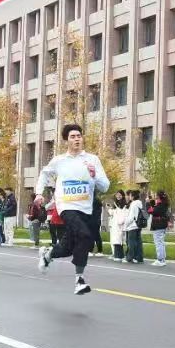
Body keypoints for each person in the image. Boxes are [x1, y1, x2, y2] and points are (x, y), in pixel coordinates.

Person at [37, 124, 111, 295]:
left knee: (67, 248)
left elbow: (105, 186)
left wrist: (95, 176)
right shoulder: (59, 161)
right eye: (73, 136)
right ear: (66, 140)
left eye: (79, 136)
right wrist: (39, 193)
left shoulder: (92, 160)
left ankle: (47, 255)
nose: (77, 139)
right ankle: (79, 280)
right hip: (66, 207)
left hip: (86, 209)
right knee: (85, 236)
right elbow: (44, 174)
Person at [123, 189, 145, 264]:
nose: (129, 197)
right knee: (138, 243)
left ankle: (129, 258)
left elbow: (131, 217)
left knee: (131, 243)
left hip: (132, 226)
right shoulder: (140, 203)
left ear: (132, 196)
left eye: (130, 195)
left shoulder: (133, 204)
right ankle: (139, 258)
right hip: (138, 225)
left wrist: (126, 224)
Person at [149, 190, 170, 267]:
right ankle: (162, 259)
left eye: (156, 196)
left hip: (158, 225)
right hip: (161, 225)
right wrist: (152, 204)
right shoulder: (164, 204)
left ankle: (160, 259)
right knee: (161, 242)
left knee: (158, 243)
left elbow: (151, 211)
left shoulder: (161, 205)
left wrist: (148, 204)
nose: (155, 198)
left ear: (159, 197)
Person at [109, 192, 128, 261]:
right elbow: (112, 213)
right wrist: (110, 209)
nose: (118, 196)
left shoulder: (124, 205)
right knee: (116, 240)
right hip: (115, 224)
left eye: (120, 195)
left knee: (119, 240)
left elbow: (124, 214)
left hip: (120, 224)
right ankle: (118, 255)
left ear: (122, 195)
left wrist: (120, 222)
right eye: (117, 195)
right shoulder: (115, 204)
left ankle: (118, 256)